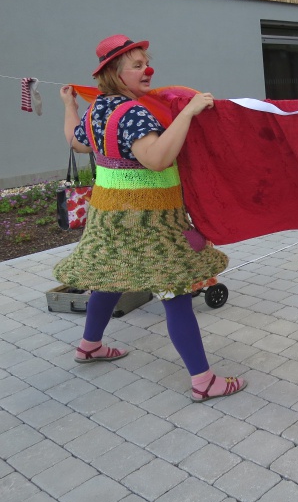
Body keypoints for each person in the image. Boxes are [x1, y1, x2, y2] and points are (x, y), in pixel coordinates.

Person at [56, 34, 246, 402]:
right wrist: (189, 112)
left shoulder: (98, 110)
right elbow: (156, 158)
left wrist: (69, 106)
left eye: (147, 62)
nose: (148, 70)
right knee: (174, 292)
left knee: (109, 279)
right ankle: (203, 381)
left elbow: (76, 142)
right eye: (138, 65)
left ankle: (89, 346)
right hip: (149, 221)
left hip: (109, 217)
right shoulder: (133, 113)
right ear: (114, 72)